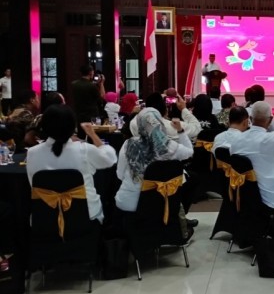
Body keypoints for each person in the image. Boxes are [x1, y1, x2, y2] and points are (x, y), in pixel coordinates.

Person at [26, 105, 117, 224]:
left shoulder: (32, 153)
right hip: (86, 216)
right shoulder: (84, 150)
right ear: (73, 127)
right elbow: (110, 159)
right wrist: (92, 134)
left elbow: (32, 183)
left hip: (45, 218)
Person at [115, 108, 195, 238]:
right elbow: (189, 151)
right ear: (160, 123)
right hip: (163, 205)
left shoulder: (128, 144)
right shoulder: (170, 147)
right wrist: (180, 131)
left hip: (130, 204)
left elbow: (119, 175)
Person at [230, 100, 274, 210]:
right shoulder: (271, 139)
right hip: (272, 195)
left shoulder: (236, 140)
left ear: (250, 119)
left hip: (245, 193)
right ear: (270, 120)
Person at [131, 93, 202, 141]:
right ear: (165, 110)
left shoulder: (135, 124)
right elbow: (197, 128)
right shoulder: (174, 126)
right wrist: (183, 109)